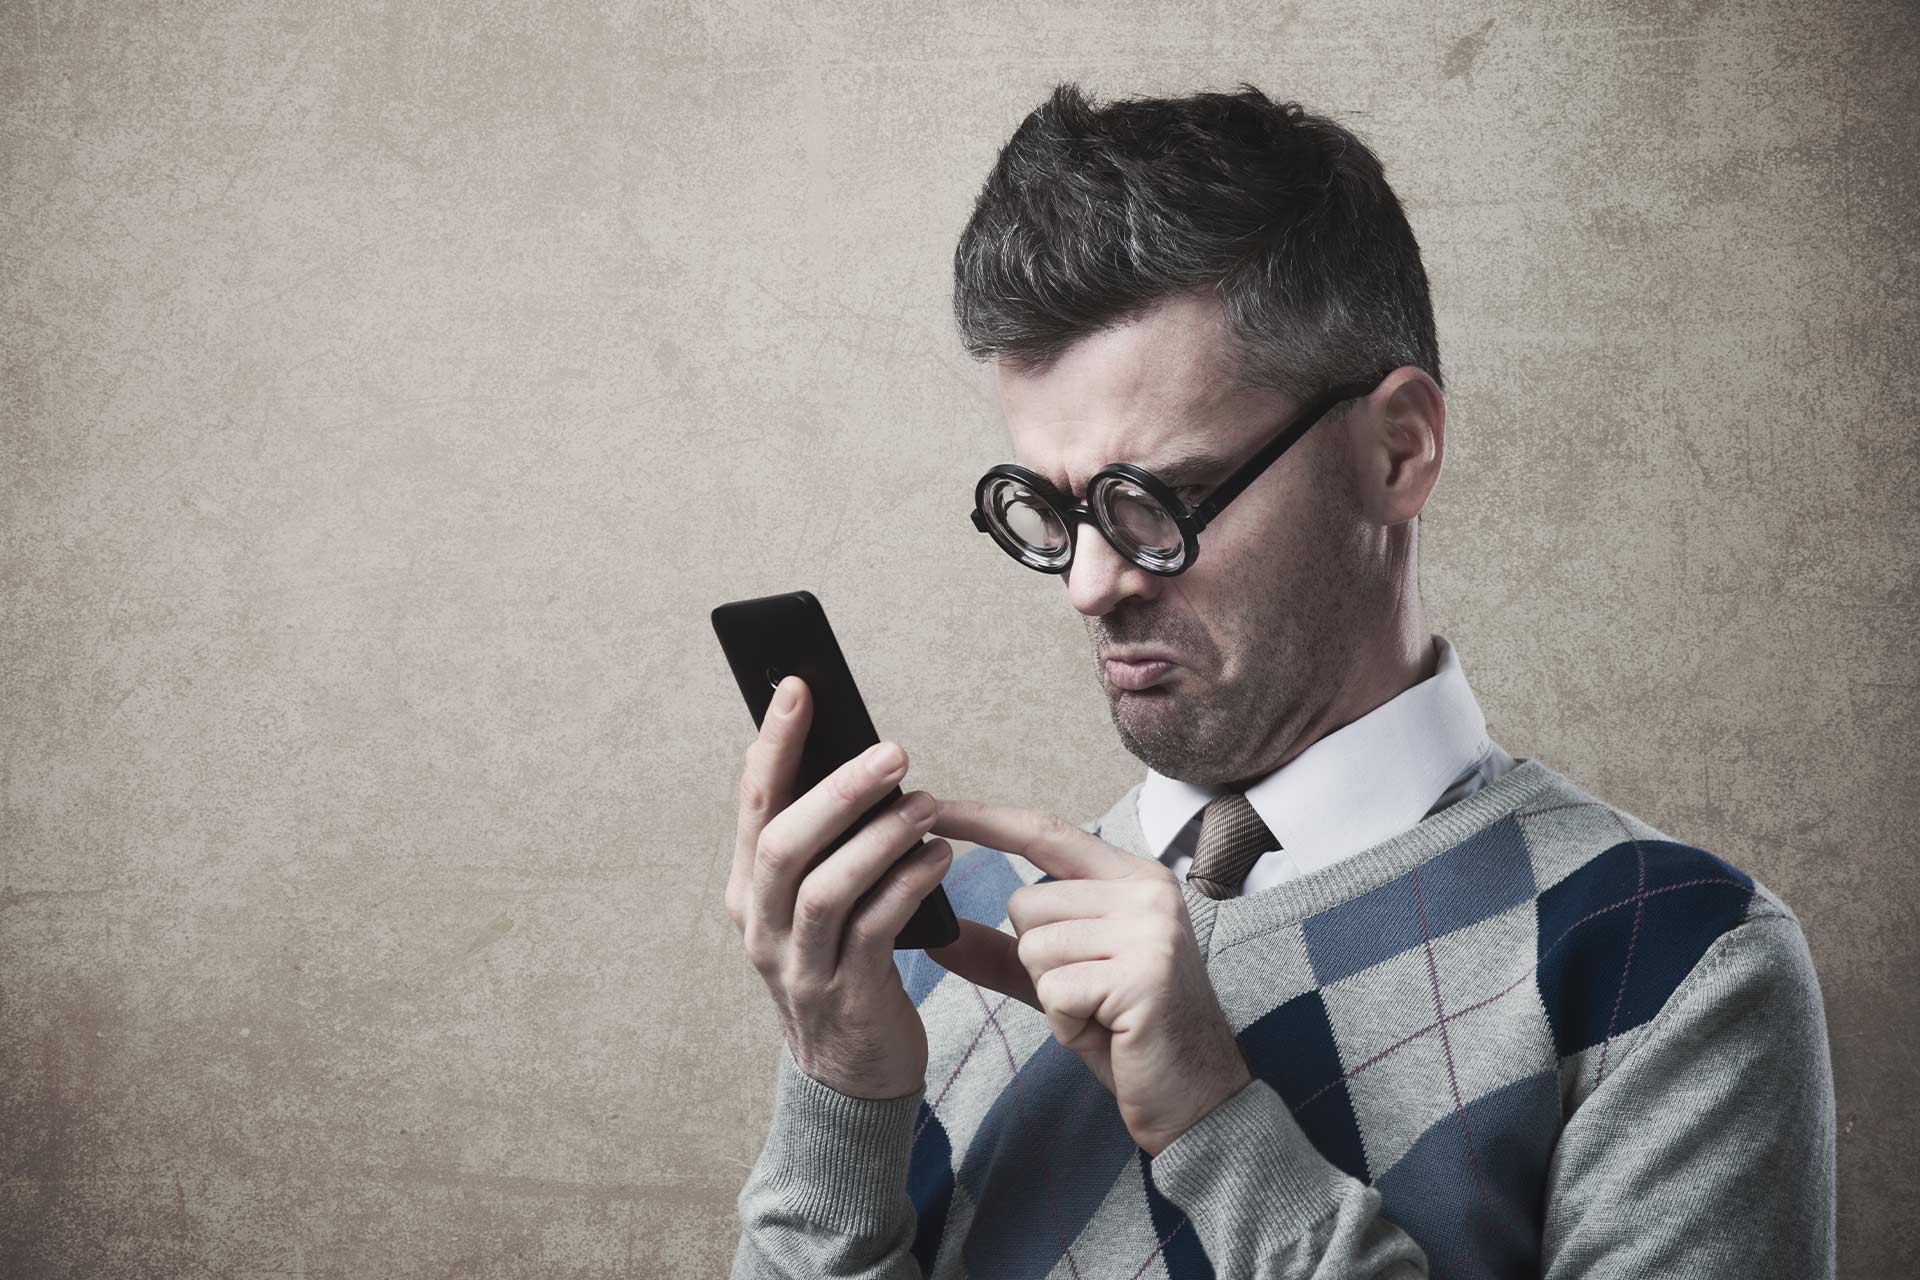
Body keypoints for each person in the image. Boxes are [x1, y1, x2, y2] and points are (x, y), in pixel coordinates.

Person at [724, 82, 1837, 1279]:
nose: (1089, 585)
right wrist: (839, 1095)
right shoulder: (945, 935)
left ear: (1397, 448)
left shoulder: (1667, 960)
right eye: (1050, 510)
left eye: (1161, 500)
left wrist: (1215, 1122)